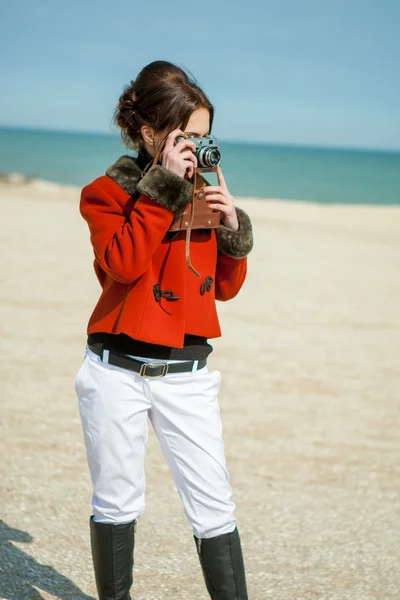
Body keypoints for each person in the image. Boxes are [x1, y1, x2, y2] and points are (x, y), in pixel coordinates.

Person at [74, 60, 254, 600]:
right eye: (185, 136)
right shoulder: (105, 193)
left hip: (187, 374)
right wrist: (162, 190)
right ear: (150, 133)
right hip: (115, 373)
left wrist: (231, 232)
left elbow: (222, 289)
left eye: (203, 137)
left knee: (213, 505)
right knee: (116, 501)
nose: (196, 149)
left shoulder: (202, 190)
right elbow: (124, 264)